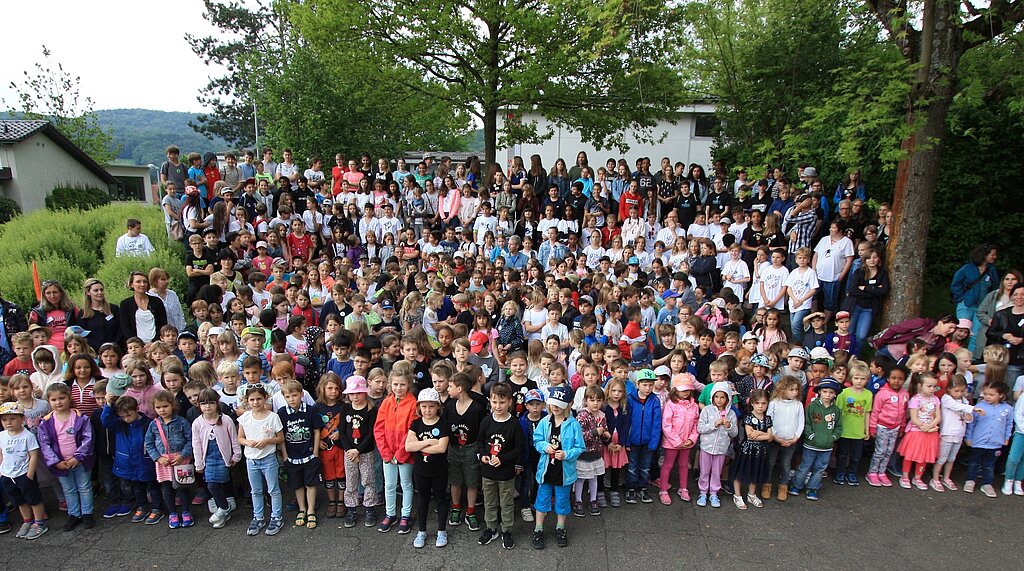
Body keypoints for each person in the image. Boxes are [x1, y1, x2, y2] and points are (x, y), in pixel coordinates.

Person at [531, 385, 584, 550]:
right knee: (542, 500)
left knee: (562, 501)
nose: (555, 408)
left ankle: (560, 528)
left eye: (559, 405)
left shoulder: (574, 424)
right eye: (553, 404)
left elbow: (580, 447)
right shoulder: (544, 421)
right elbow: (536, 440)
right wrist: (545, 446)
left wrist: (567, 454)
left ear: (568, 405)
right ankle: (538, 528)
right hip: (546, 470)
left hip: (564, 473)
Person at [237, 384, 286, 536]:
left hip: (268, 459)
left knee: (273, 489)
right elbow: (240, 438)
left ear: (265, 398)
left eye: (259, 399)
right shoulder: (244, 417)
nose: (256, 402)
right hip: (251, 460)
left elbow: (280, 437)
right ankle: (258, 517)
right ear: (247, 401)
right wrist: (248, 442)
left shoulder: (273, 417)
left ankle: (276, 517)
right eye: (252, 399)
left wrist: (267, 441)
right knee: (256, 490)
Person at [373, 368, 417, 534]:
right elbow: (379, 428)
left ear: (408, 385)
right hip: (388, 453)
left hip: (404, 453)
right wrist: (386, 452)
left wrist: (400, 454)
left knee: (406, 483)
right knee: (390, 484)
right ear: (390, 385)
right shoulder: (386, 402)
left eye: (402, 384)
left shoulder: (413, 403)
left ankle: (405, 515)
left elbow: (411, 431)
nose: (398, 388)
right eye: (395, 384)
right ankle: (390, 514)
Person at [406, 387, 451, 548]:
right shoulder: (416, 424)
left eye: (431, 406)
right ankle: (422, 531)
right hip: (421, 470)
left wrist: (420, 445)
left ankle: (441, 530)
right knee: (422, 500)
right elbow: (408, 447)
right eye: (424, 406)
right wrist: (429, 441)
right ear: (419, 407)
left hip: (439, 470)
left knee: (441, 499)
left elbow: (441, 448)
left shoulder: (443, 423)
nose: (427, 410)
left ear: (438, 406)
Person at [144, 390, 194, 529]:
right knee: (167, 488)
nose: (162, 410)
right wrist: (157, 458)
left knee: (183, 487)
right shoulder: (153, 425)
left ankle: (185, 511)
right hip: (163, 461)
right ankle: (172, 513)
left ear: (172, 405)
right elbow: (148, 443)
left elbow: (191, 440)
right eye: (158, 407)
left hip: (181, 459)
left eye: (165, 406)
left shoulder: (182, 422)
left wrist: (183, 454)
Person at [191, 388, 241, 529]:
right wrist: (198, 463)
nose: (207, 407)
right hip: (208, 459)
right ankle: (224, 508)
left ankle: (223, 508)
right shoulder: (197, 423)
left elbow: (234, 439)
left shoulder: (225, 420)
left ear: (217, 403)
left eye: (211, 403)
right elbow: (196, 444)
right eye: (203, 403)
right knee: (211, 484)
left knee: (217, 484)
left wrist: (236, 455)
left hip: (222, 458)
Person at [0, 402, 49, 539]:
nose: (8, 422)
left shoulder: (28, 436)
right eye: (4, 419)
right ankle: (27, 521)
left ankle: (40, 523)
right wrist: (2, 471)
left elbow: (33, 456)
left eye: (12, 418)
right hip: (8, 475)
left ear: (22, 419)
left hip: (24, 474)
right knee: (19, 500)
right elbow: (1, 453)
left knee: (33, 499)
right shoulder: (2, 435)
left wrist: (29, 475)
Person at [789, 377, 842, 500]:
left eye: (831, 392)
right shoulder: (812, 407)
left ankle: (813, 488)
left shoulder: (836, 410)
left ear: (835, 394)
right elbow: (806, 423)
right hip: (811, 444)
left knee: (820, 468)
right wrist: (811, 435)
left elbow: (838, 427)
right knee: (805, 465)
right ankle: (797, 485)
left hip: (827, 446)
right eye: (825, 391)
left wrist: (833, 437)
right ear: (819, 392)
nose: (827, 395)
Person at [964, 382, 1013, 497]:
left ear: (1001, 395)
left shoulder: (1008, 409)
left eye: (991, 394)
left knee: (989, 465)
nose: (987, 397)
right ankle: (970, 480)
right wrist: (968, 437)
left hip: (995, 443)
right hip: (978, 441)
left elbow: (1009, 424)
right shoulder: (979, 406)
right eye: (985, 394)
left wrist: (1006, 437)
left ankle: (987, 484)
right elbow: (971, 423)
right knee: (974, 463)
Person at [695, 382, 738, 507]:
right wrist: (714, 424)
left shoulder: (731, 414)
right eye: (716, 397)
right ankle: (703, 492)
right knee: (704, 471)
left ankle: (714, 493)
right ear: (712, 397)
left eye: (722, 397)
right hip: (706, 448)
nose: (719, 400)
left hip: (721, 448)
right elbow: (700, 428)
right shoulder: (707, 410)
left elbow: (734, 433)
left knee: (716, 472)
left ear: (728, 398)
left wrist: (729, 426)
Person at [865, 366, 909, 487]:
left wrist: (902, 427)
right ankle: (872, 472)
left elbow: (904, 413)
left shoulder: (905, 394)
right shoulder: (882, 394)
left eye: (900, 379)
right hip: (882, 426)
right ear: (888, 378)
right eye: (893, 378)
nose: (896, 381)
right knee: (880, 450)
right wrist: (872, 427)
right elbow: (875, 412)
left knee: (889, 451)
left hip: (895, 427)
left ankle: (882, 472)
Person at [950, 244, 999, 353]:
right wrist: (961, 299)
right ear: (984, 255)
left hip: (981, 308)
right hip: (966, 305)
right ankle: (952, 354)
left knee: (976, 334)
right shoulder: (967, 269)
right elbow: (955, 284)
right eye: (993, 254)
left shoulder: (992, 270)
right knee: (960, 331)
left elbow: (995, 288)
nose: (994, 257)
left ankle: (971, 358)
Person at [658, 374, 699, 504]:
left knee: (684, 465)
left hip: (687, 442)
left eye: (687, 390)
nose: (685, 392)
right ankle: (663, 489)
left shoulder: (694, 406)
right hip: (672, 443)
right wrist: (677, 441)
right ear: (676, 389)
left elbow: (696, 424)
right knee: (668, 465)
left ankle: (684, 488)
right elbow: (666, 424)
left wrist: (691, 439)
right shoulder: (670, 404)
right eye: (682, 390)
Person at [731, 389, 773, 509]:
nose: (760, 406)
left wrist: (759, 433)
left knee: (756, 471)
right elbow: (750, 435)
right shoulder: (748, 417)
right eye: (757, 403)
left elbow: (770, 437)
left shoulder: (768, 418)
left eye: (764, 403)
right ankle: (737, 495)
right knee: (740, 472)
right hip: (747, 450)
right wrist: (765, 435)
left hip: (761, 451)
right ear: (752, 403)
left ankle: (751, 494)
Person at [30, 280, 80, 352]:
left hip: (71, 346)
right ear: (44, 295)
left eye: (55, 292)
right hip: (49, 348)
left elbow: (79, 327)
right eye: (48, 293)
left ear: (61, 293)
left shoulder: (71, 309)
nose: (52, 296)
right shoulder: (38, 312)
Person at [119, 271, 168, 344]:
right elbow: (125, 328)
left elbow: (163, 325)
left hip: (156, 345)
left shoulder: (157, 302)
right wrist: (139, 345)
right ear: (131, 284)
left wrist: (154, 343)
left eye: (144, 282)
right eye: (138, 282)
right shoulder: (125, 304)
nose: (142, 284)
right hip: (135, 347)